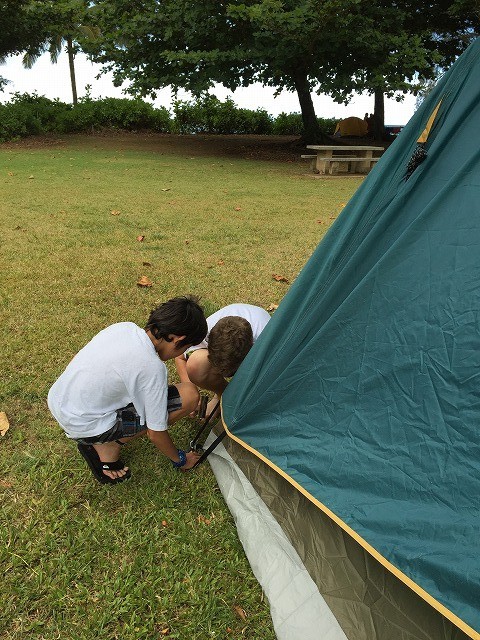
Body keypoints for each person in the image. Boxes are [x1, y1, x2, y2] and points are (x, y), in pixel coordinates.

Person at [47, 295, 208, 485]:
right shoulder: (152, 368)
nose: (181, 354)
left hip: (59, 402)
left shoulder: (123, 328)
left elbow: (78, 358)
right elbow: (156, 432)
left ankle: (100, 436)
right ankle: (108, 445)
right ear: (177, 339)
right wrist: (180, 459)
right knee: (189, 396)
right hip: (84, 424)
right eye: (186, 347)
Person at [176, 303, 271, 418]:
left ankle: (234, 401)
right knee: (196, 364)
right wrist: (190, 393)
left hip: (260, 352)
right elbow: (180, 357)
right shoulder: (205, 331)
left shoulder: (267, 340)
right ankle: (223, 395)